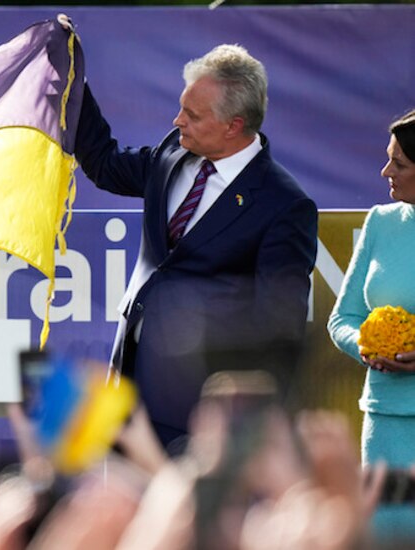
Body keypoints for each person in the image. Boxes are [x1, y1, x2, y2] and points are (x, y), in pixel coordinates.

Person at [72, 41, 318, 450]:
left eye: (192, 114)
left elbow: (281, 327)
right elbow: (106, 165)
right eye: (182, 107)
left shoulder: (284, 204)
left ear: (233, 125)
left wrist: (240, 429)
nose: (177, 120)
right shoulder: (173, 153)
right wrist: (73, 83)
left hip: (198, 416)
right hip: (127, 393)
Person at [327, 108, 415, 542]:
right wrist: (365, 347)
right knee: (384, 537)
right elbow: (342, 318)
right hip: (384, 422)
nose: (385, 171)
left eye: (399, 163)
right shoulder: (381, 222)